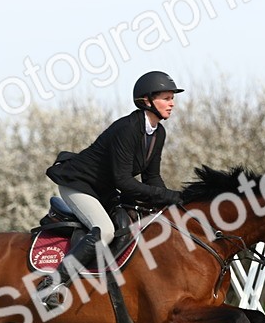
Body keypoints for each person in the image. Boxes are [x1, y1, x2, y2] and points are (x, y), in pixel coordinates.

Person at [36, 71, 186, 308]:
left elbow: (152, 176)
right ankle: (52, 284)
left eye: (172, 98)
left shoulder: (158, 132)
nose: (172, 103)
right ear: (146, 101)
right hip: (79, 183)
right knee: (104, 230)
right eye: (166, 98)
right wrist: (168, 196)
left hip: (104, 190)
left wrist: (171, 205)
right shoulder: (127, 128)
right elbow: (124, 182)